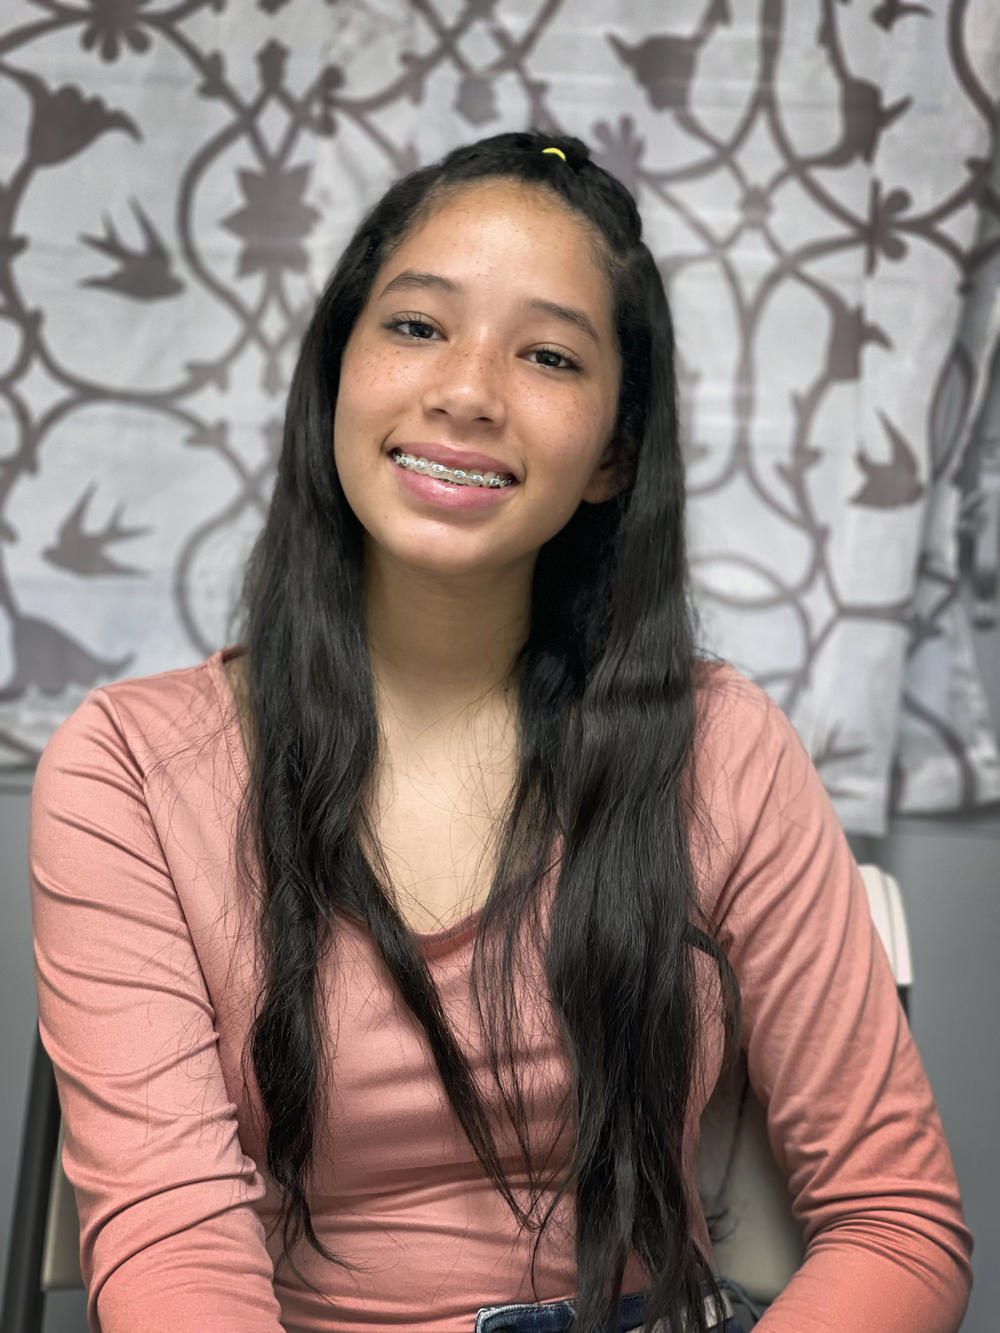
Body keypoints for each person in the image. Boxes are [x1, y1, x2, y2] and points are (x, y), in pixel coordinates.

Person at [29, 131, 972, 1333]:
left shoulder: (720, 744)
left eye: (547, 355)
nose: (468, 391)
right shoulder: (126, 769)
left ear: (612, 456)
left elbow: (898, 1225)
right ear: (336, 377)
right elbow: (173, 1246)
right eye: (417, 326)